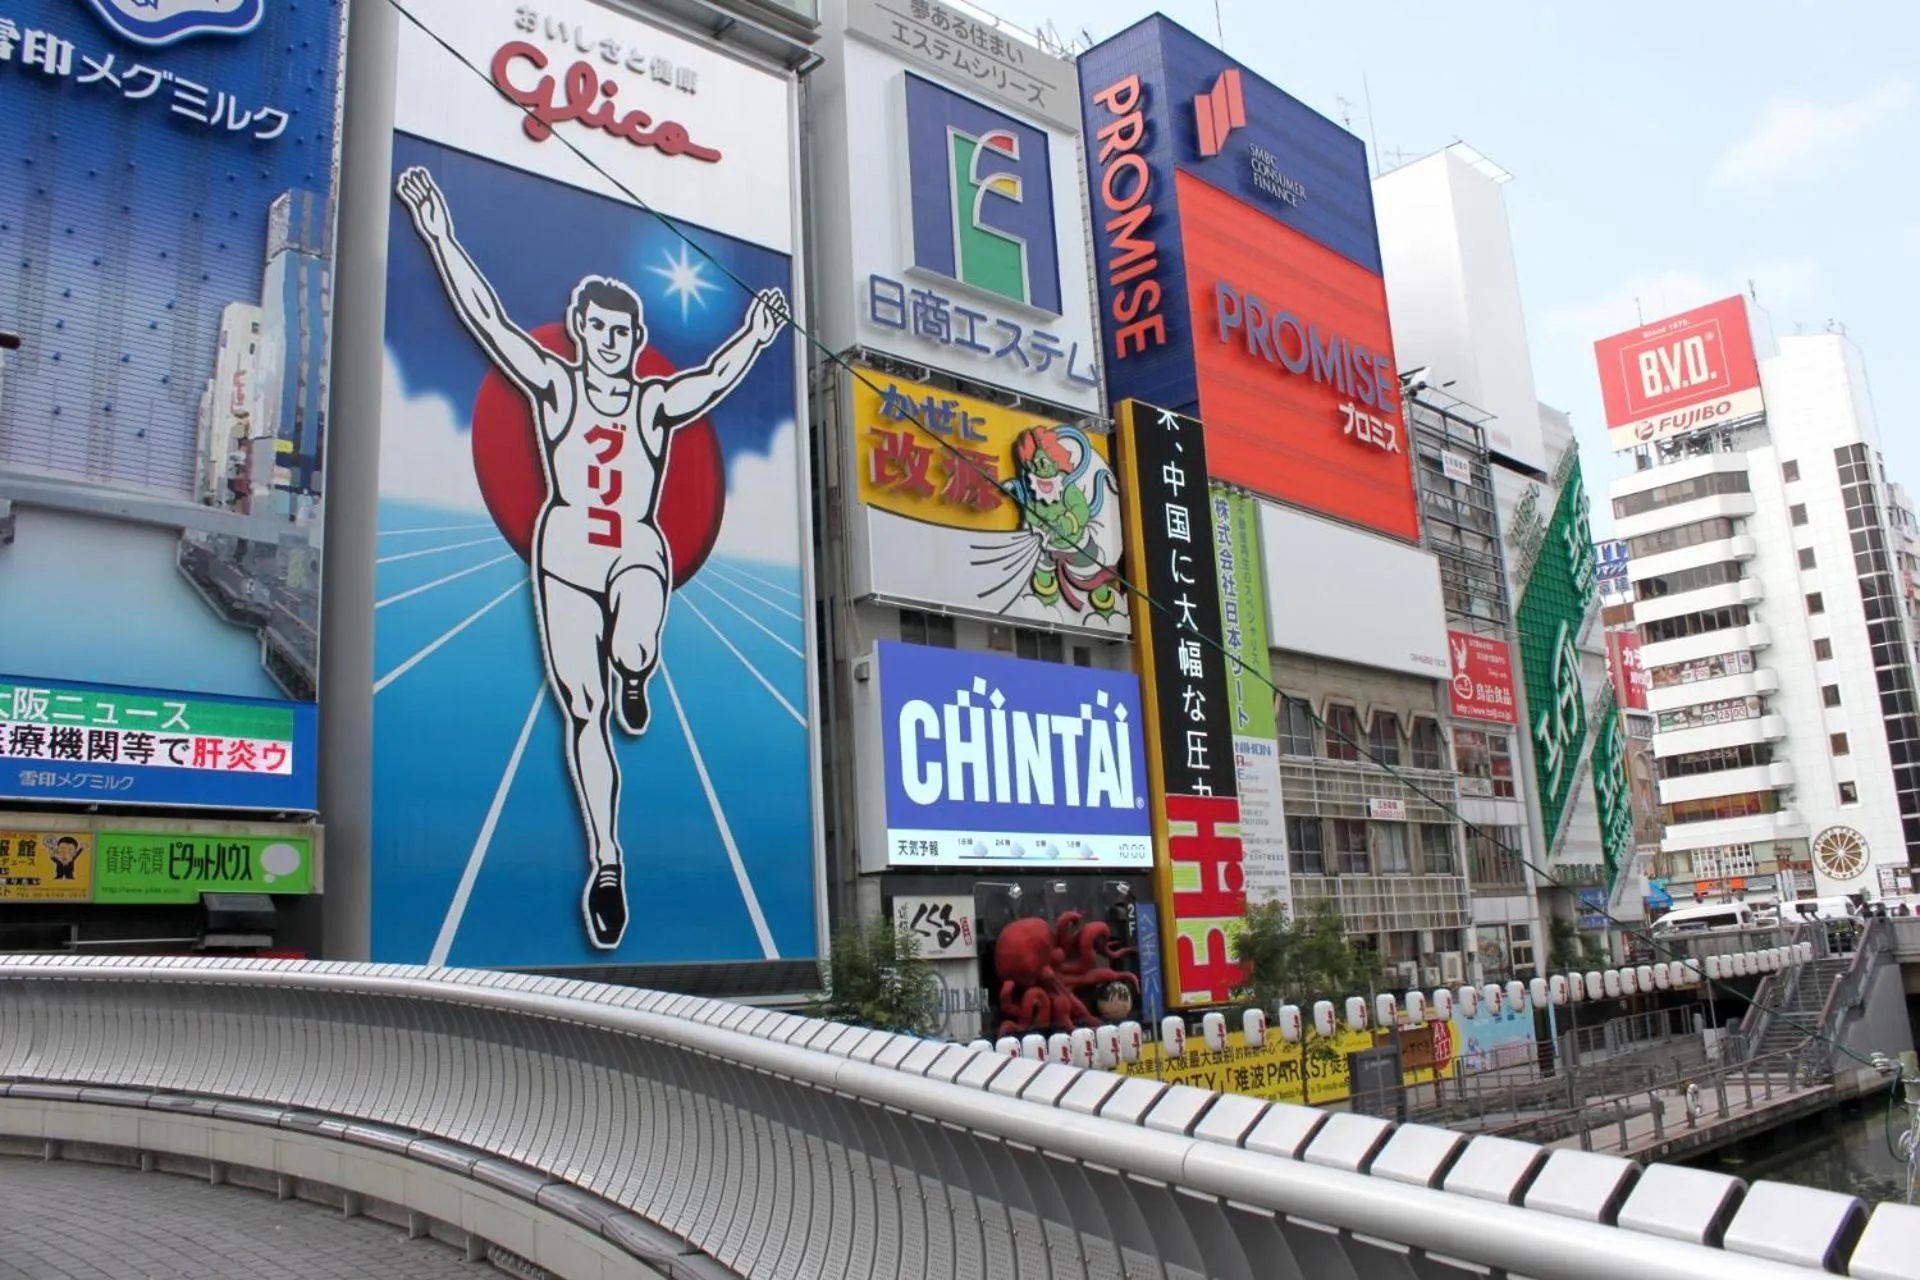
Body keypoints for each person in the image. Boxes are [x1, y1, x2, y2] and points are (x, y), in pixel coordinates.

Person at [396, 166, 789, 950]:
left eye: (622, 332)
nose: (609, 343)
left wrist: (755, 332)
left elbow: (711, 380)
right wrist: (439, 234)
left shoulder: (652, 402)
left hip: (636, 546)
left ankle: (637, 669)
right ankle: (607, 863)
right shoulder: (555, 386)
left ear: (636, 341)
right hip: (567, 548)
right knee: (583, 708)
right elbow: (489, 322)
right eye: (597, 330)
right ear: (581, 331)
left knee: (634, 643)